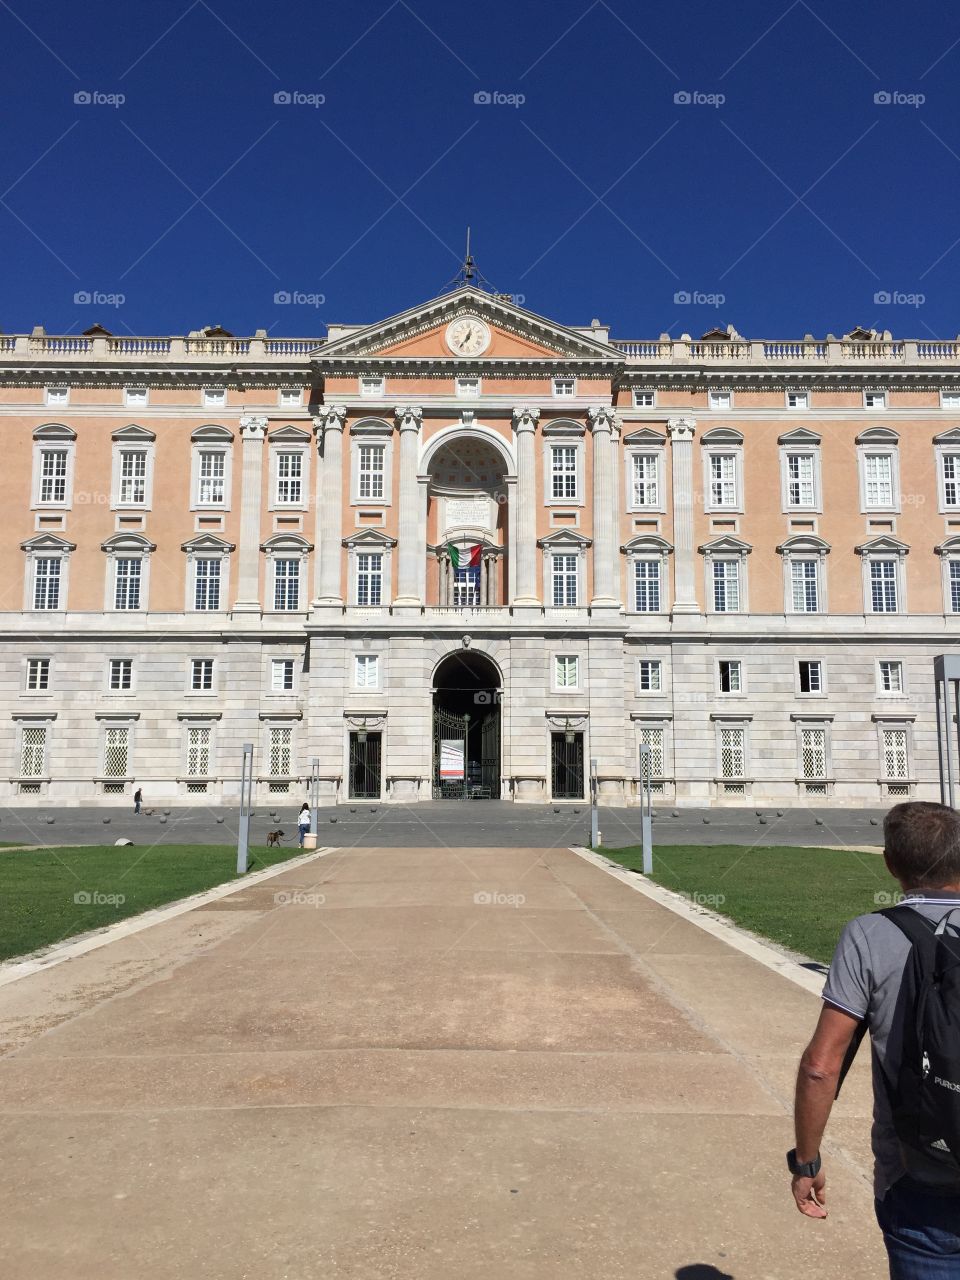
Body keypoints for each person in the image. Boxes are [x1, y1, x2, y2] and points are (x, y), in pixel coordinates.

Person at [790, 801, 960, 1277]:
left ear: (890, 864)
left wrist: (806, 1161)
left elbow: (820, 1066)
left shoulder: (870, 934)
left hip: (919, 1174)